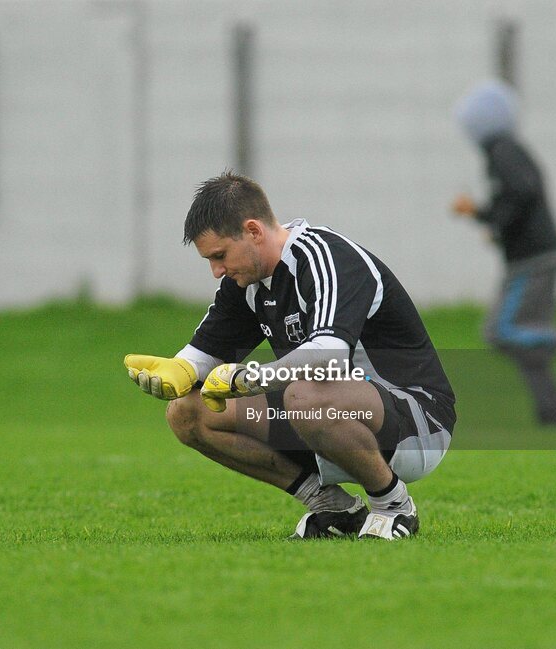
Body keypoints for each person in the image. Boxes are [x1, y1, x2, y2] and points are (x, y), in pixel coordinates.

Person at [124, 172, 456, 540]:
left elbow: (328, 356)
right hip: (325, 416)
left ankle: (394, 506)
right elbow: (204, 354)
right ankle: (332, 507)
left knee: (304, 394)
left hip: (417, 422)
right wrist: (179, 371)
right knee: (187, 412)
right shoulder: (246, 283)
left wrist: (248, 378)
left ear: (253, 231)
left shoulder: (325, 257)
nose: (217, 270)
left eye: (219, 256)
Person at [451, 80, 556, 426]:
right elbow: (514, 199)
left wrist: (496, 223)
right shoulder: (507, 148)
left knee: (501, 331)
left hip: (531, 259)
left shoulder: (502, 150)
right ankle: (553, 414)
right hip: (537, 253)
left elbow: (521, 191)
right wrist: (479, 214)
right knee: (530, 336)